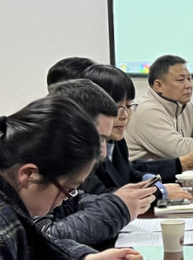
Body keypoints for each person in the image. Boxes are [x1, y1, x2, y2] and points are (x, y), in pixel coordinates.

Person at [0, 96, 145, 260]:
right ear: (29, 174)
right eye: (67, 190)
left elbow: (35, 248)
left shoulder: (13, 202)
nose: (62, 202)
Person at [37, 79, 157, 249]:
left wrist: (119, 200)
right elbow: (44, 239)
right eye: (98, 139)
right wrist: (118, 207)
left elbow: (75, 200)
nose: (103, 153)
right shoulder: (32, 166)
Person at [81, 64, 193, 191]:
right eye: (117, 108)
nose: (125, 115)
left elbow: (129, 173)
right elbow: (100, 196)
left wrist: (150, 180)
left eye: (128, 106)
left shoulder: (116, 140)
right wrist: (159, 193)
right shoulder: (81, 150)